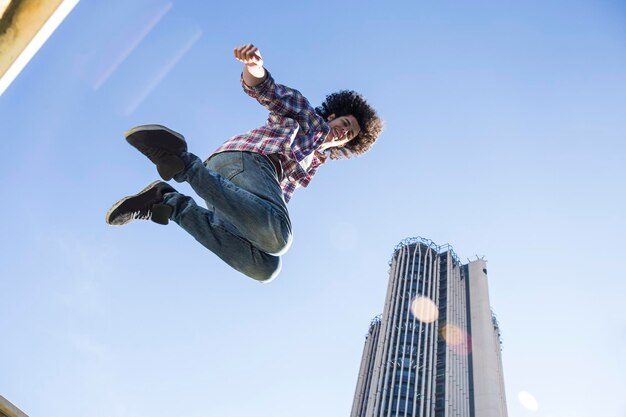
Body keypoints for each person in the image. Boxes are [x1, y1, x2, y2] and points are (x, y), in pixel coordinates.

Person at [106, 44, 383, 282]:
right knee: (279, 237)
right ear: (333, 115)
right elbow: (266, 91)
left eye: (350, 135)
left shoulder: (311, 165)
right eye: (345, 123)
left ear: (346, 145)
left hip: (226, 188)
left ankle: (166, 202)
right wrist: (254, 66)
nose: (344, 131)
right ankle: (181, 161)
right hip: (245, 162)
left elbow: (264, 211)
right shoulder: (308, 118)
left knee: (266, 267)